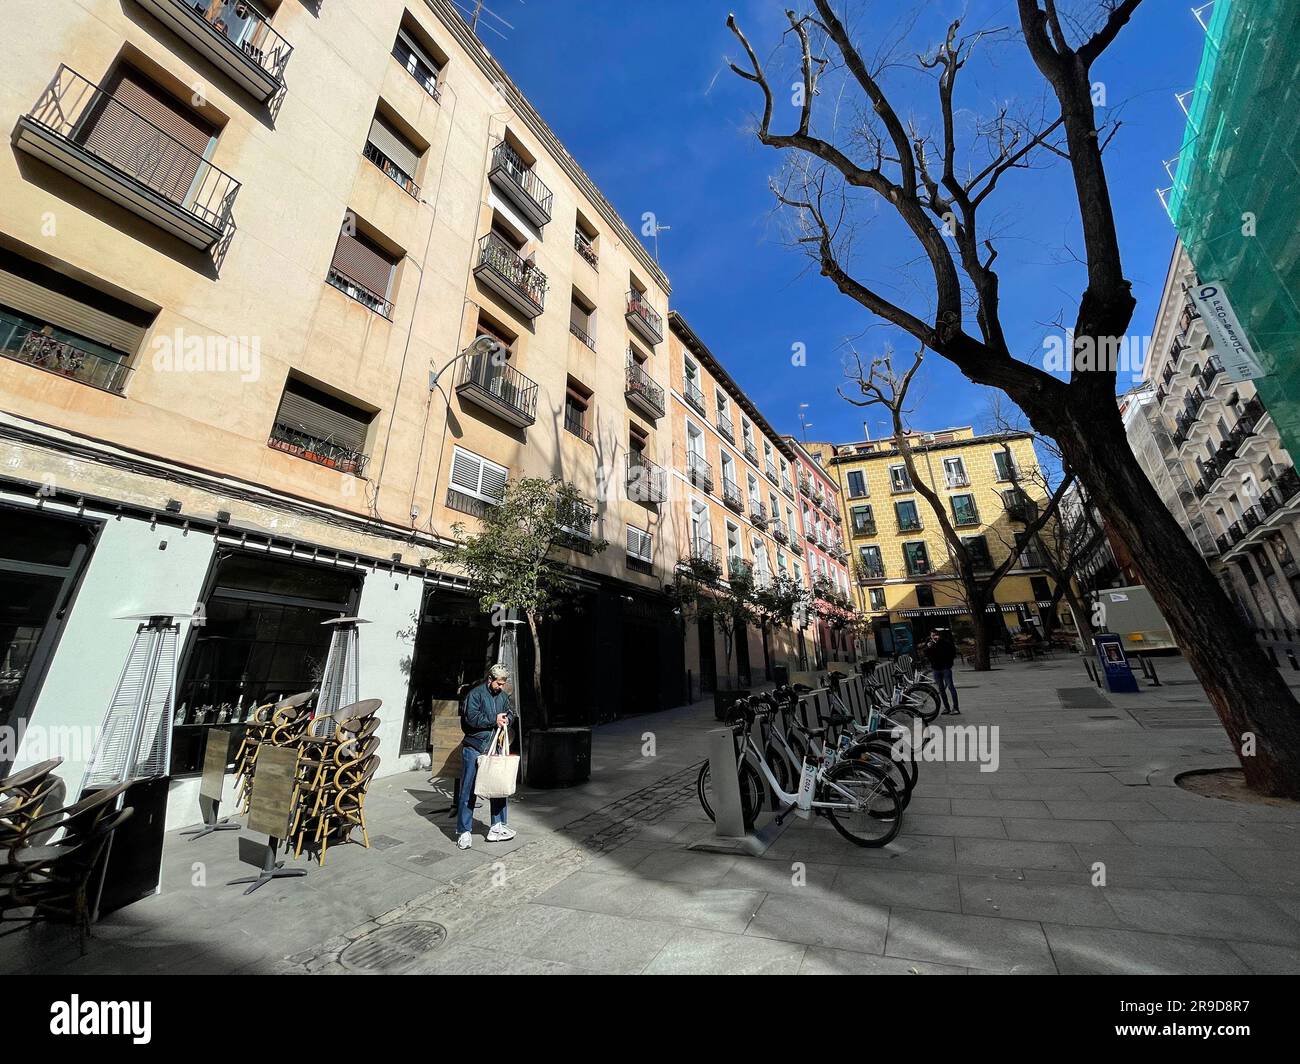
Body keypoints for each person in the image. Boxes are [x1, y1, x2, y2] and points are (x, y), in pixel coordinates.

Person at [456, 664, 516, 848]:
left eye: (503, 684)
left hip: (493, 746)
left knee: (498, 787)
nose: (501, 687)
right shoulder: (475, 694)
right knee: (468, 790)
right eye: (498, 683)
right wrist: (494, 720)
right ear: (490, 679)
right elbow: (470, 720)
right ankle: (464, 832)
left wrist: (508, 719)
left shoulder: (503, 696)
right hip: (474, 747)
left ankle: (497, 826)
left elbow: (510, 712)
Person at [924, 628, 960, 715]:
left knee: (951, 687)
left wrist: (949, 664)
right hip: (936, 669)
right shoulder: (930, 644)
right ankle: (946, 708)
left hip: (945, 668)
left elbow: (952, 653)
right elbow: (927, 656)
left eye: (935, 635)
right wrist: (928, 648)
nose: (934, 637)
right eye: (932, 636)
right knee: (941, 689)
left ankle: (956, 708)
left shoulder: (945, 643)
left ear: (939, 635)